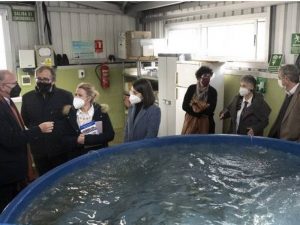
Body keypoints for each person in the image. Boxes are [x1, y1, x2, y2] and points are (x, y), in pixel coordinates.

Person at [0, 70, 54, 212]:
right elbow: (10, 139)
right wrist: (38, 129)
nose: (17, 86)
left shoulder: (7, 102)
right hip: (6, 171)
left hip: (17, 167)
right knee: (7, 209)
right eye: (13, 84)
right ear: (1, 86)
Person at [21, 66, 73, 175]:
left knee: (63, 178)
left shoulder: (66, 96)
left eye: (45, 79)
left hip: (61, 148)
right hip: (39, 149)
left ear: (53, 80)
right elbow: (25, 120)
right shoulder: (27, 98)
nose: (42, 82)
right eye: (39, 79)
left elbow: (72, 121)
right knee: (43, 179)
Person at [61, 82, 115, 159]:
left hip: (99, 155)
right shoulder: (69, 113)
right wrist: (77, 140)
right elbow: (64, 139)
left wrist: (87, 139)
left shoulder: (101, 112)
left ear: (89, 98)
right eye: (75, 94)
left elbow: (110, 135)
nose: (76, 97)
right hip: (77, 156)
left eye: (80, 95)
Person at [182, 66, 217, 134]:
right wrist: (201, 108)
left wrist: (195, 106)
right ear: (198, 77)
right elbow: (185, 106)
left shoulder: (213, 91)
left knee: (205, 143)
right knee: (189, 143)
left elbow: (211, 110)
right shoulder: (191, 88)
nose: (206, 79)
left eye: (208, 77)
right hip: (190, 122)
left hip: (207, 123)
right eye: (204, 76)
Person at [268, 64, 300, 141]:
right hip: (278, 139)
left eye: (279, 78)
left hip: (291, 144)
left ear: (286, 78)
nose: (278, 80)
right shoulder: (289, 93)